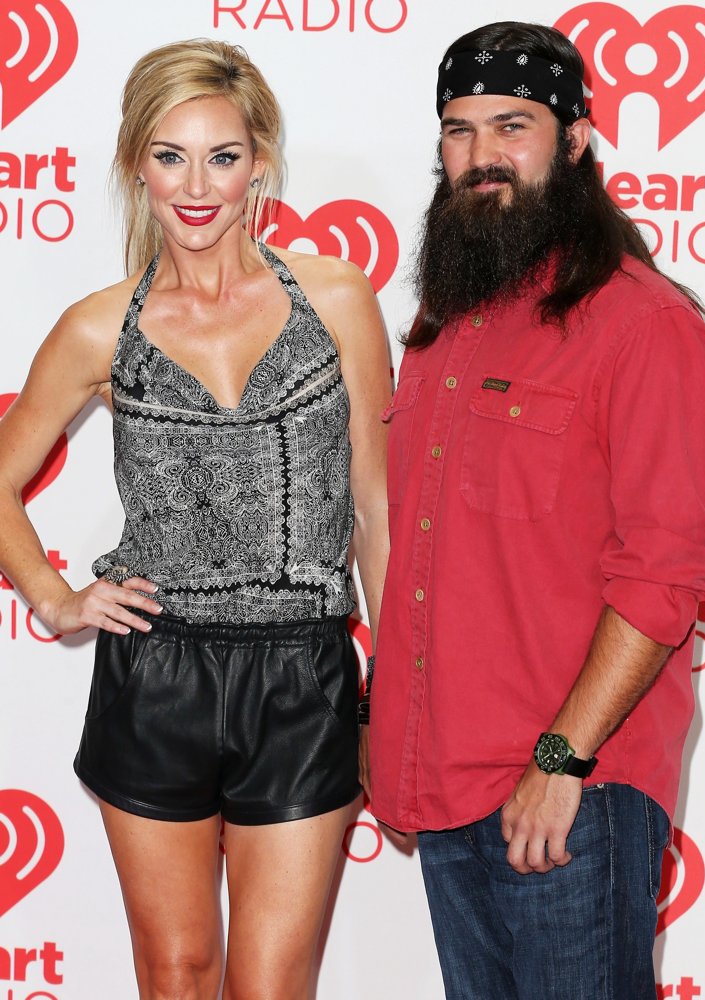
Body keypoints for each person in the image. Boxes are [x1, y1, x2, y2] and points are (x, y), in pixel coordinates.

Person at [0, 39, 390, 1000]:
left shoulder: (335, 297)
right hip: (156, 677)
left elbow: (377, 503)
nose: (197, 184)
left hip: (304, 675)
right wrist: (53, 598)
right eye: (171, 155)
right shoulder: (103, 325)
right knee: (176, 977)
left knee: (269, 984)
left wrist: (400, 677)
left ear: (260, 160)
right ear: (138, 162)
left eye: (222, 155)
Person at [365, 20, 705, 1000]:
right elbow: (428, 552)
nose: (481, 155)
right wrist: (393, 742)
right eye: (458, 128)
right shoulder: (443, 326)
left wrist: (561, 760)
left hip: (572, 790)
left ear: (575, 140)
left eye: (512, 124)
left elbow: (667, 571)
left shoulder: (643, 326)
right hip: (449, 783)